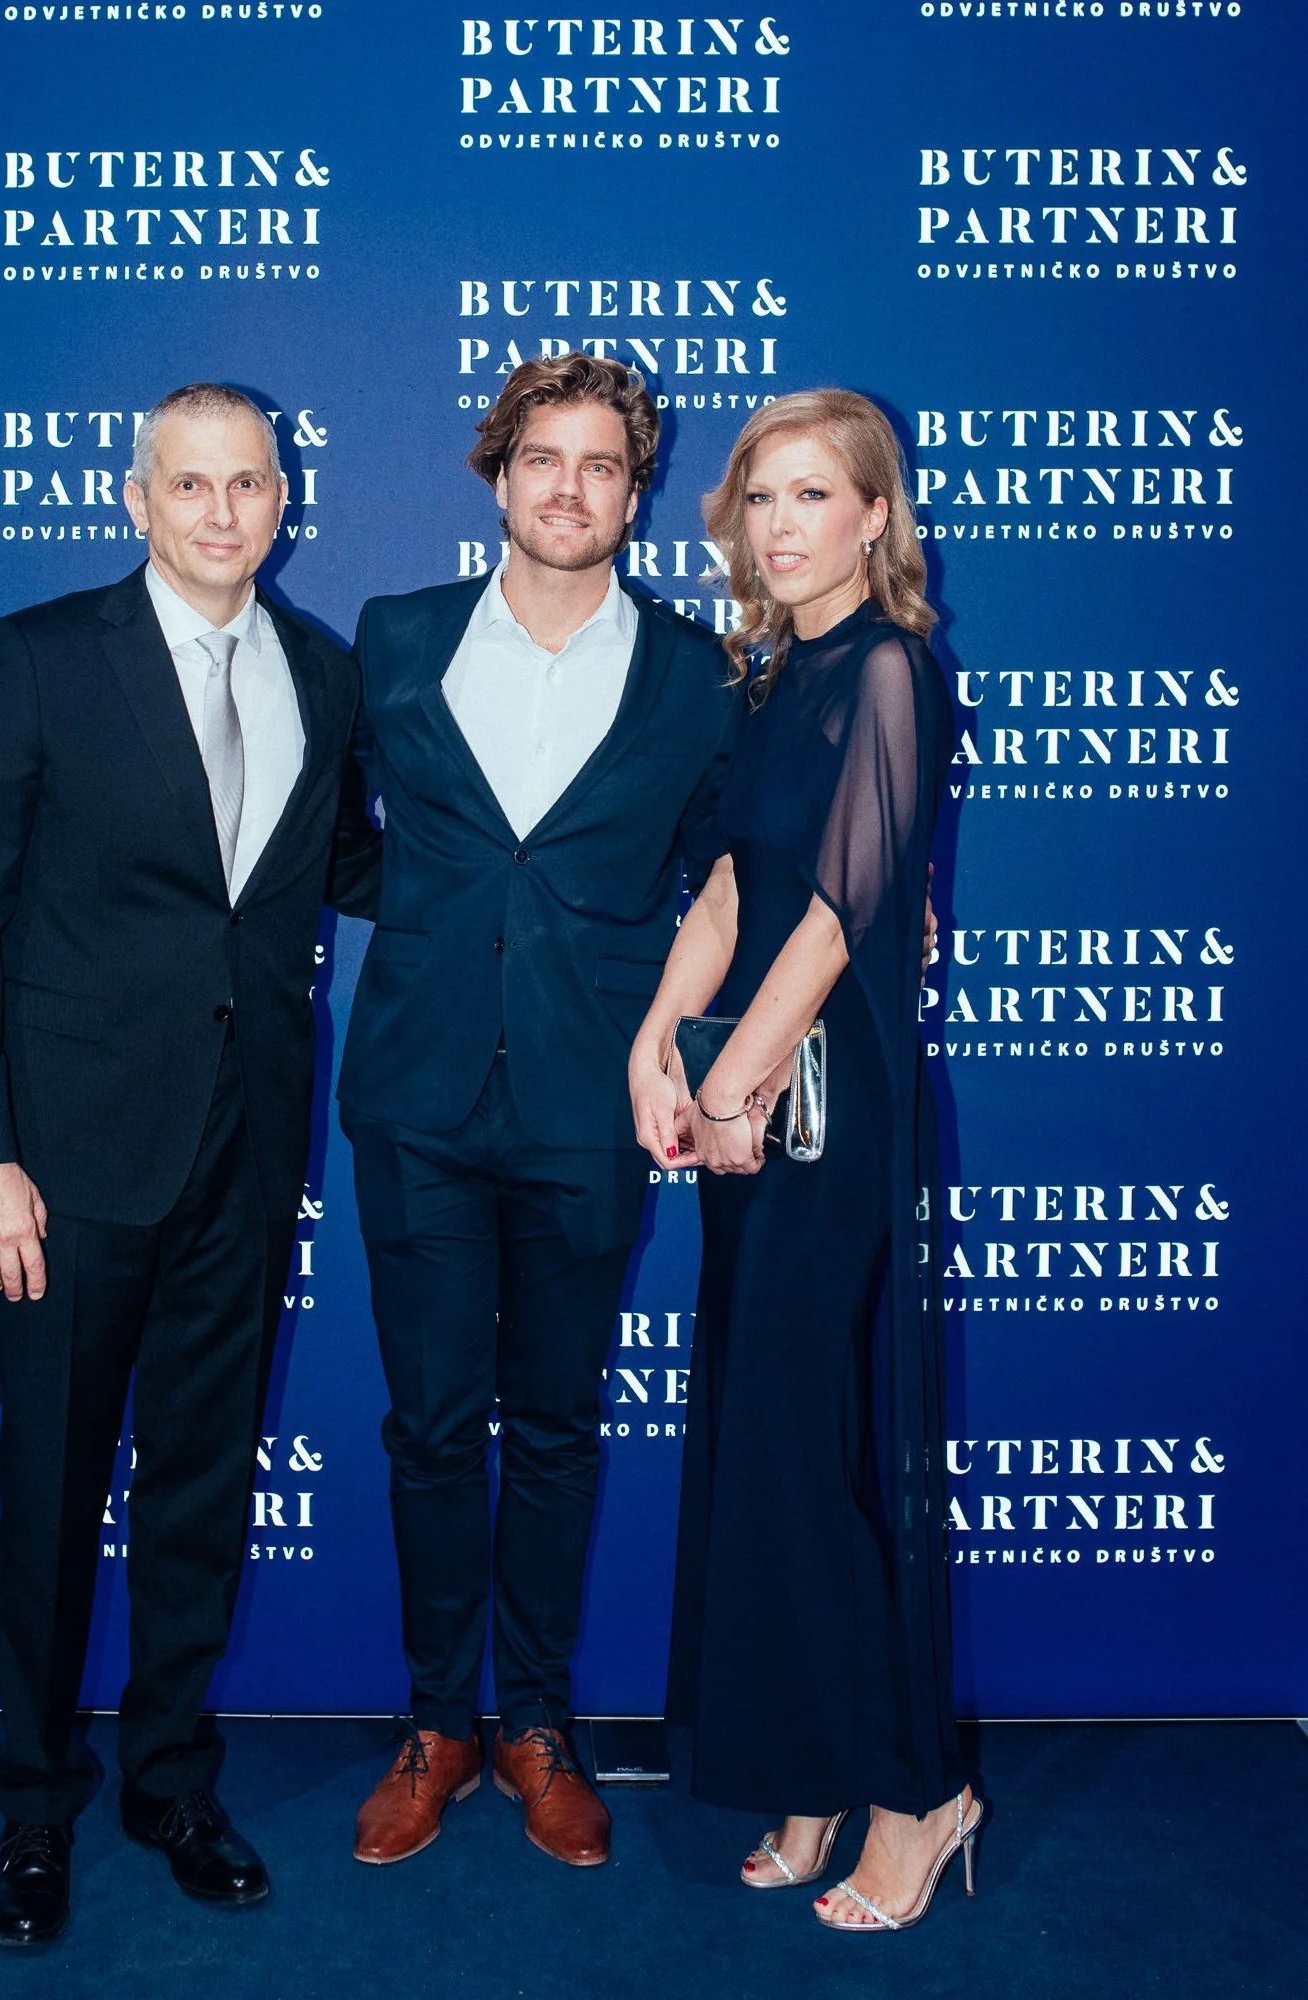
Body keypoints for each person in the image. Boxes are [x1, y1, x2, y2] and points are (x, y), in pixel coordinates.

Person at [0, 382, 380, 1947]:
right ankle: (34, 1804)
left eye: (250, 483)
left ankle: (170, 1779)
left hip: (244, 1157)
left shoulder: (321, 671)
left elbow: (367, 864)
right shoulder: (37, 658)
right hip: (68, 1165)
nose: (225, 512)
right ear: (136, 498)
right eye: (193, 484)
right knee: (49, 1494)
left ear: (280, 499)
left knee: (199, 1488)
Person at [340, 355, 741, 1868]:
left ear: (637, 496)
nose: (570, 489)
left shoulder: (705, 675)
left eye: (602, 467)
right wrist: (457, 925)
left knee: (560, 1429)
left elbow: (721, 875)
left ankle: (537, 1726)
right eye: (542, 460)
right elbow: (330, 840)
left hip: (595, 1104)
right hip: (420, 1102)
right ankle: (437, 1724)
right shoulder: (394, 641)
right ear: (496, 475)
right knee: (432, 1430)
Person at [628, 390, 981, 1933]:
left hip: (828, 1119)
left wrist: (733, 1081)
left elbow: (840, 914)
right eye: (760, 499)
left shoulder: (893, 671)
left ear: (876, 517)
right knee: (773, 1451)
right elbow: (727, 887)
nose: (779, 526)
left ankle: (919, 1796)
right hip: (752, 1110)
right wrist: (659, 1040)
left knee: (833, 1450)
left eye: (813, 496)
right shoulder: (767, 678)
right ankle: (818, 1767)